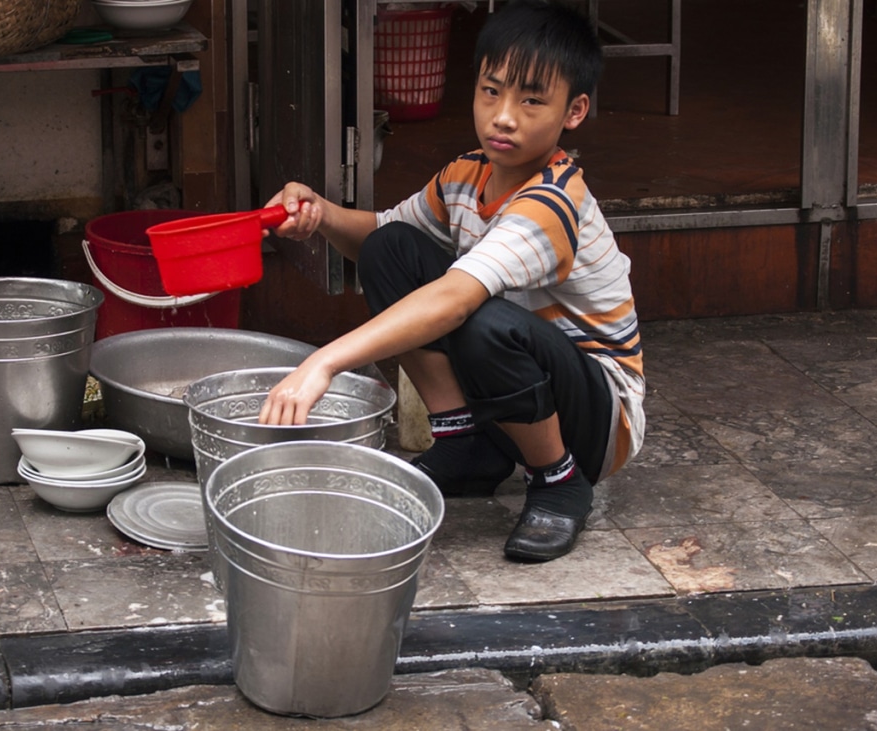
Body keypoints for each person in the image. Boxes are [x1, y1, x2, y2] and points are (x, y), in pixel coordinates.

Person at [258, 0, 645, 563]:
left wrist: (322, 364)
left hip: (597, 418)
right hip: (516, 385)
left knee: (479, 318)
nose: (504, 116)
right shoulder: (468, 174)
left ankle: (559, 481)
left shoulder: (553, 202)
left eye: (531, 99)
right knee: (392, 249)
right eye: (492, 91)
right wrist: (319, 213)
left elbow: (454, 299)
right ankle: (463, 442)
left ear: (575, 110)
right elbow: (380, 237)